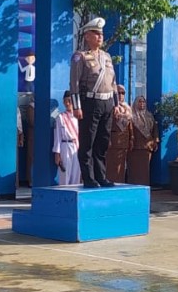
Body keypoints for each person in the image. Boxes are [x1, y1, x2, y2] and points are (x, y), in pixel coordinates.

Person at [70, 17, 117, 188]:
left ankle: (101, 176)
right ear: (87, 36)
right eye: (96, 34)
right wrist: (77, 106)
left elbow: (113, 82)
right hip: (90, 102)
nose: (100, 37)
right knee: (88, 142)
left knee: (102, 141)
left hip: (107, 102)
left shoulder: (106, 56)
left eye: (101, 34)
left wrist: (116, 104)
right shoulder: (80, 57)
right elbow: (74, 83)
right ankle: (88, 178)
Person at [127, 96, 158, 187]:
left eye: (143, 102)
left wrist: (155, 141)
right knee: (134, 171)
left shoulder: (149, 115)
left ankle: (144, 187)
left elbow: (155, 129)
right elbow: (129, 130)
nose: (142, 104)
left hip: (147, 147)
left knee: (144, 171)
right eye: (140, 102)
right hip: (135, 148)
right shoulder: (131, 116)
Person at [52, 92, 81, 185]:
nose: (67, 103)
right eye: (65, 101)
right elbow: (57, 136)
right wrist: (57, 153)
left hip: (76, 147)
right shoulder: (60, 117)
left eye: (69, 101)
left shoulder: (79, 117)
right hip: (65, 146)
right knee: (65, 175)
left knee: (76, 174)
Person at [106, 85, 132, 184]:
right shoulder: (110, 106)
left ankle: (120, 184)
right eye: (118, 93)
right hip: (113, 141)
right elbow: (106, 124)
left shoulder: (127, 108)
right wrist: (108, 139)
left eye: (123, 93)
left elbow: (130, 125)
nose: (121, 95)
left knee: (121, 167)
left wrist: (131, 138)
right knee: (112, 166)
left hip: (124, 141)